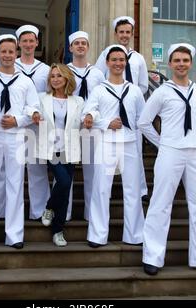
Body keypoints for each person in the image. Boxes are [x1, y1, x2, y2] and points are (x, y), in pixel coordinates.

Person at [138, 43, 196, 276]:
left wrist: (192, 138)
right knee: (160, 203)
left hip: (195, 153)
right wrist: (163, 141)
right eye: (177, 60)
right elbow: (144, 122)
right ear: (170, 64)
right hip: (170, 151)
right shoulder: (162, 91)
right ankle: (152, 256)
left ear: (191, 63)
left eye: (185, 60)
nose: (181, 64)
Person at [0, 34, 41, 249]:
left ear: (16, 54)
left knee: (15, 182)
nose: (7, 55)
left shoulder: (25, 80)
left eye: (10, 52)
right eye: (3, 51)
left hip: (15, 136)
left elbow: (34, 108)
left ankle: (14, 234)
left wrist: (18, 120)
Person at [83, 45, 146, 248]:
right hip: (107, 143)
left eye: (121, 60)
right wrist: (104, 123)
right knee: (101, 189)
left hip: (129, 144)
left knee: (133, 190)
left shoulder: (134, 90)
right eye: (114, 60)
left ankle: (134, 234)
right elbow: (87, 115)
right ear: (107, 63)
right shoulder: (99, 89)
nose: (118, 63)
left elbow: (141, 119)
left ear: (125, 63)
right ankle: (97, 234)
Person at [96, 16, 149, 201]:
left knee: (136, 149)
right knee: (108, 153)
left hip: (132, 107)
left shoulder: (139, 59)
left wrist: (129, 96)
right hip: (110, 108)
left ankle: (140, 189)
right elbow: (98, 78)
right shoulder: (106, 54)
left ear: (132, 34)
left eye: (128, 32)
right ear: (116, 34)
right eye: (121, 32)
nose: (124, 35)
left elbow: (143, 84)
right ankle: (106, 188)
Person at [34, 64, 86, 246]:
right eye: (52, 76)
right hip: (50, 148)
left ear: (67, 79)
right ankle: (49, 207)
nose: (55, 79)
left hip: (69, 148)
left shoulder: (78, 101)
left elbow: (85, 116)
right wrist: (32, 114)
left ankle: (58, 231)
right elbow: (30, 109)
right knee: (63, 182)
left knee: (65, 190)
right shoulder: (42, 98)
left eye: (59, 76)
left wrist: (90, 118)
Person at [14, 25, 52, 222]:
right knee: (12, 170)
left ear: (37, 43)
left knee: (37, 169)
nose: (28, 44)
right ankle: (7, 212)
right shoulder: (11, 66)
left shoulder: (45, 70)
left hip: (37, 126)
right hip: (16, 125)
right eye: (24, 41)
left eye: (32, 40)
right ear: (19, 43)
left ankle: (38, 211)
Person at [67, 31, 105, 221]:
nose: (80, 46)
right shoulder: (64, 71)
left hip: (92, 126)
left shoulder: (98, 73)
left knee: (92, 170)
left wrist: (93, 116)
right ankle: (64, 213)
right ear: (70, 48)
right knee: (65, 171)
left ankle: (91, 214)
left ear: (88, 47)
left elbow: (102, 100)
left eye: (84, 43)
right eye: (77, 43)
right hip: (68, 126)